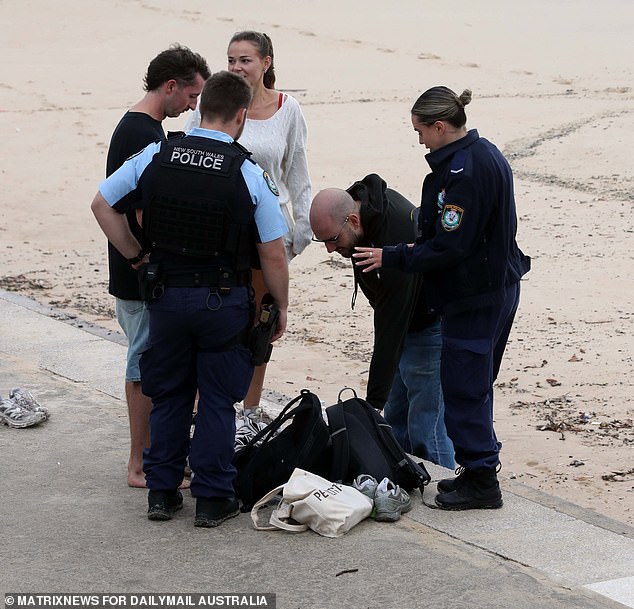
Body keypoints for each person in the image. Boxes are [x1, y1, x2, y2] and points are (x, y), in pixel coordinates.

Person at [91, 70, 289, 527]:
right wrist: (279, 305)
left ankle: (161, 493)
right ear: (241, 115)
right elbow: (272, 252)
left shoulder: (156, 154)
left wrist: (136, 254)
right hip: (221, 301)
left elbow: (102, 204)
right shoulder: (245, 170)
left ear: (201, 109)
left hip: (165, 297)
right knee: (218, 400)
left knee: (170, 392)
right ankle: (213, 498)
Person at [354, 87, 530, 510]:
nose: (419, 141)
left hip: (476, 295)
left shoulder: (463, 173)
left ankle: (482, 480)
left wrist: (391, 256)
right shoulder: (484, 154)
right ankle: (475, 470)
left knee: (465, 386)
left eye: (421, 132)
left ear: (440, 126)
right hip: (495, 287)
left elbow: (451, 246)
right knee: (474, 383)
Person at [184, 31, 312, 420]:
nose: (237, 67)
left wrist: (300, 234)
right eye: (231, 60)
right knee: (215, 320)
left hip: (267, 237)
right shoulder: (213, 103)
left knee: (262, 324)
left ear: (266, 62)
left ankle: (250, 409)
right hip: (218, 237)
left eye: (245, 60)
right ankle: (201, 405)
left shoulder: (288, 110)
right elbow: (192, 154)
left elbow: (298, 175)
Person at [104, 44, 210, 488]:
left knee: (149, 365)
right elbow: (132, 209)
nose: (192, 106)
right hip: (138, 279)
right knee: (144, 369)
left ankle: (149, 458)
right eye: (190, 96)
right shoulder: (143, 135)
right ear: (171, 86)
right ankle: (140, 464)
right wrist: (138, 256)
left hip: (134, 274)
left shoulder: (140, 128)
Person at [310, 175, 454, 468]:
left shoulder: (394, 231)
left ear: (352, 219)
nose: (329, 250)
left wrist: (372, 403)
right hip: (405, 321)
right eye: (323, 242)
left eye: (332, 240)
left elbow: (391, 324)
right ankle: (404, 477)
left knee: (427, 428)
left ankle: (442, 488)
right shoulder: (360, 220)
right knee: (397, 421)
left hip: (430, 322)